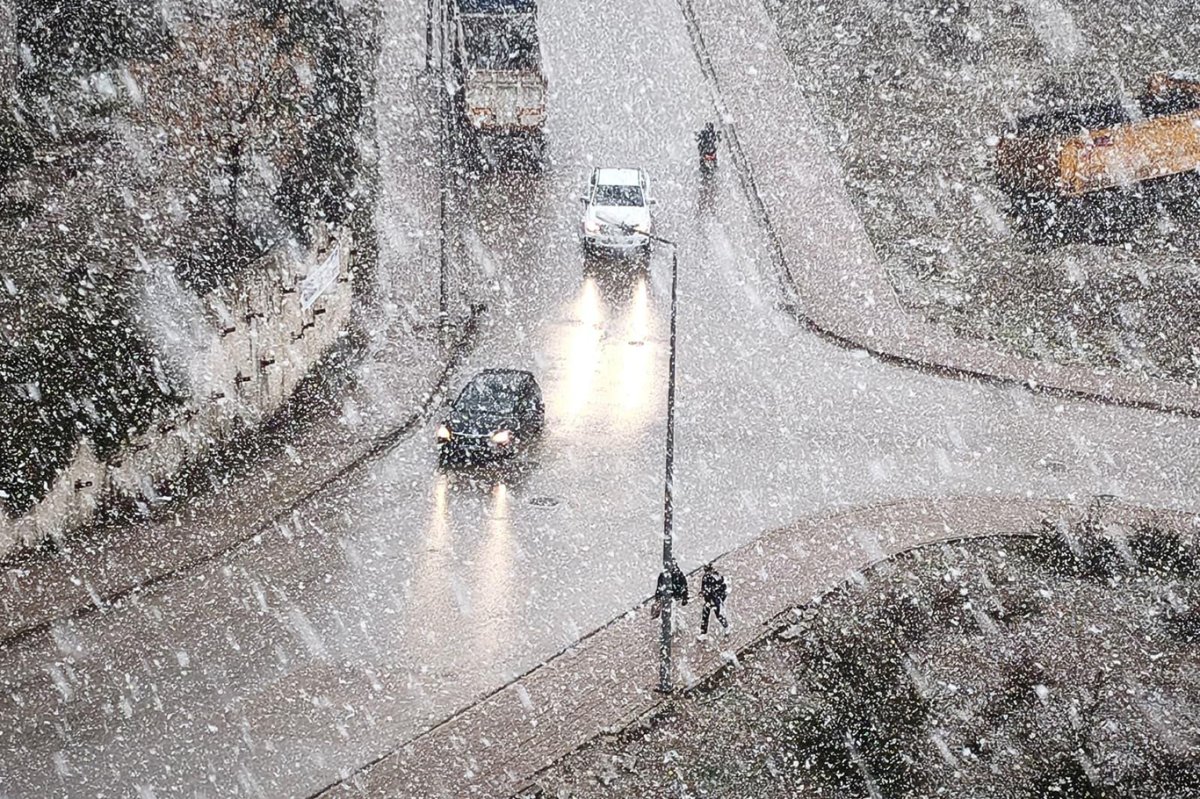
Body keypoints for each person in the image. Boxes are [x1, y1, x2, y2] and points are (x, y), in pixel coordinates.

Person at [698, 563, 728, 637]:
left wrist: (706, 593)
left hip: (714, 600)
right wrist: (704, 592)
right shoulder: (714, 576)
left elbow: (714, 589)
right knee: (707, 615)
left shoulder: (711, 577)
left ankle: (726, 627)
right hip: (711, 600)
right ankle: (703, 633)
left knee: (716, 615)